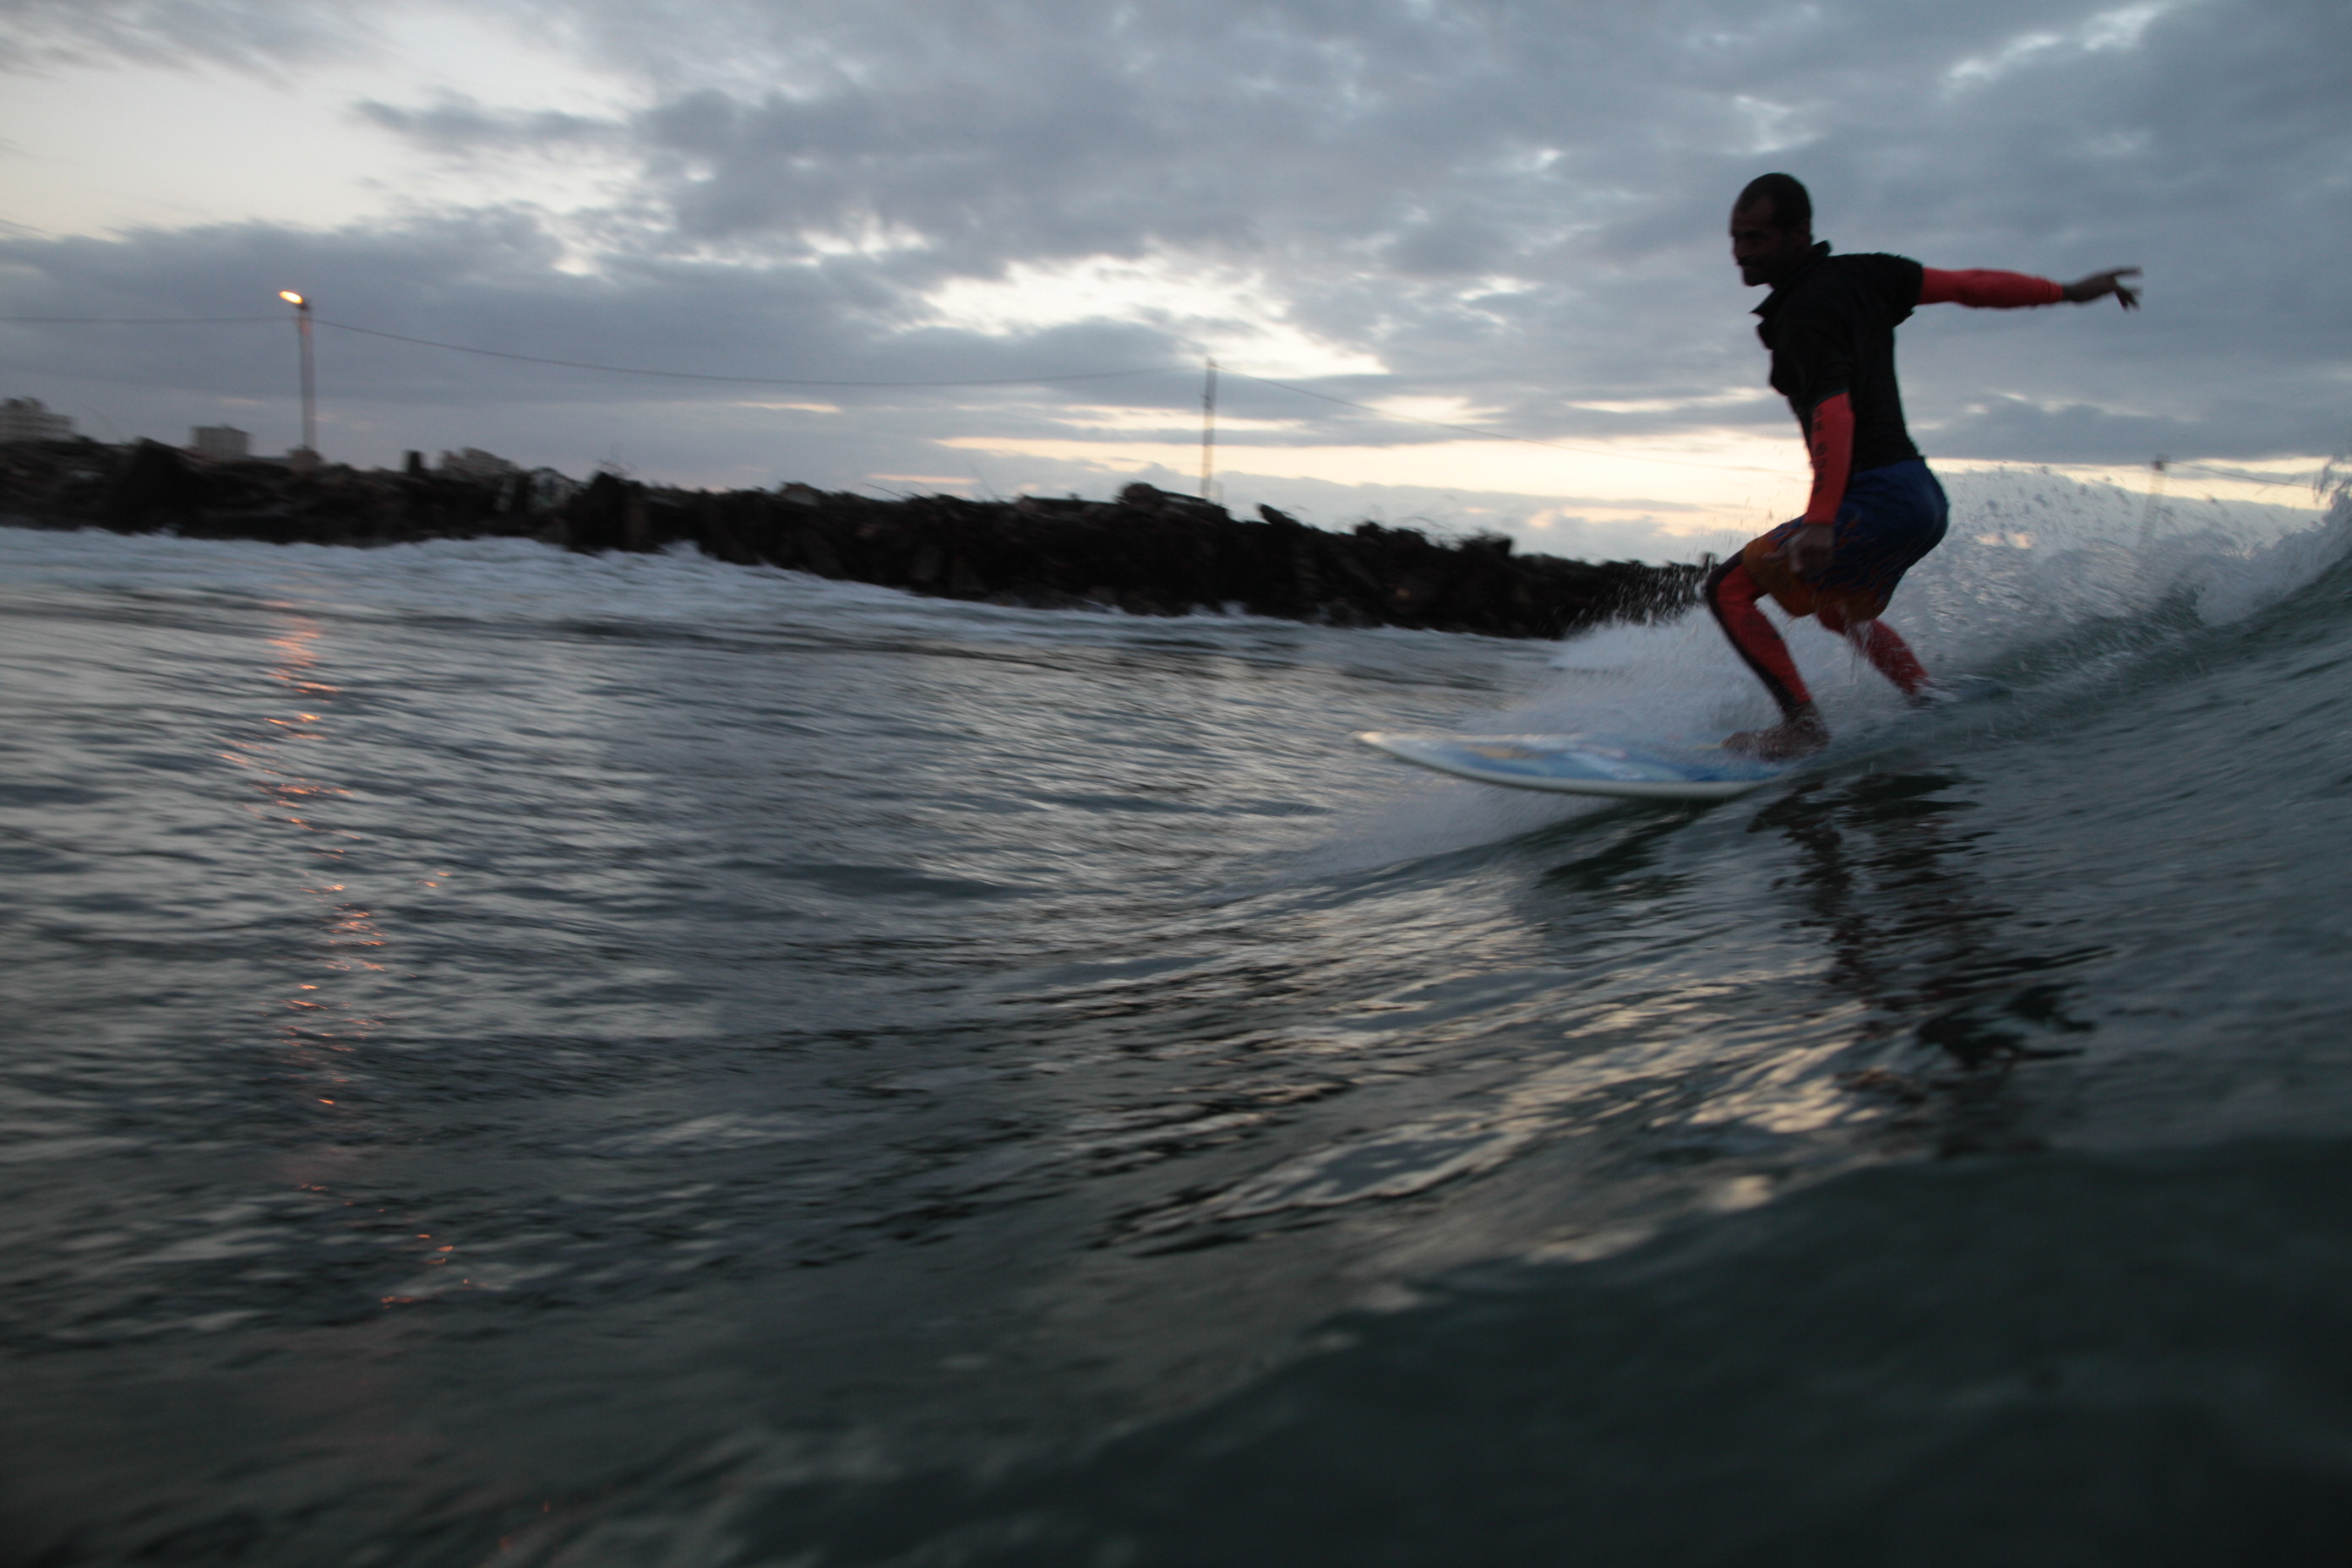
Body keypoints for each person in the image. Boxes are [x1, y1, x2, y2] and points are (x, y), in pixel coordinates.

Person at [1707, 172, 2139, 759]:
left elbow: (1835, 410)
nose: (1741, 252)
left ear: (1799, 233)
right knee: (1834, 608)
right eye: (1736, 238)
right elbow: (1970, 286)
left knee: (1728, 588)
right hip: (1921, 498)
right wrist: (2067, 291)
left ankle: (1802, 727)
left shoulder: (1804, 313)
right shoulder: (1868, 274)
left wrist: (1822, 520)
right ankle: (1923, 694)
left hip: (1875, 498)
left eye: (1755, 238)